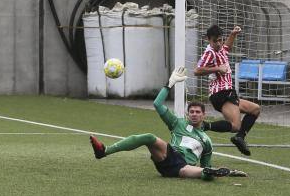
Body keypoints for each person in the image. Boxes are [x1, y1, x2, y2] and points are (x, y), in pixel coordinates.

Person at [88, 67, 246, 180]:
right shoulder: (178, 123)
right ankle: (104, 151)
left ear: (204, 115)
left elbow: (207, 163)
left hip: (183, 167)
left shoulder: (207, 141)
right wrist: (169, 84)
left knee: (201, 170)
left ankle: (208, 174)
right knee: (149, 137)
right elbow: (157, 104)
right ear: (187, 114)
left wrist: (228, 172)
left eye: (198, 112)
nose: (195, 114)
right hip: (168, 156)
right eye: (192, 112)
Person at [194, 24, 260, 156]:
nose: (218, 43)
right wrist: (217, 68)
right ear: (208, 39)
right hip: (220, 93)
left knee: (255, 109)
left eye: (220, 40)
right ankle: (205, 126)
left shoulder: (220, 49)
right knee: (235, 125)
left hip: (228, 92)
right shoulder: (210, 52)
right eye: (215, 41)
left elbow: (227, 47)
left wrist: (233, 34)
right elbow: (197, 70)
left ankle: (240, 137)